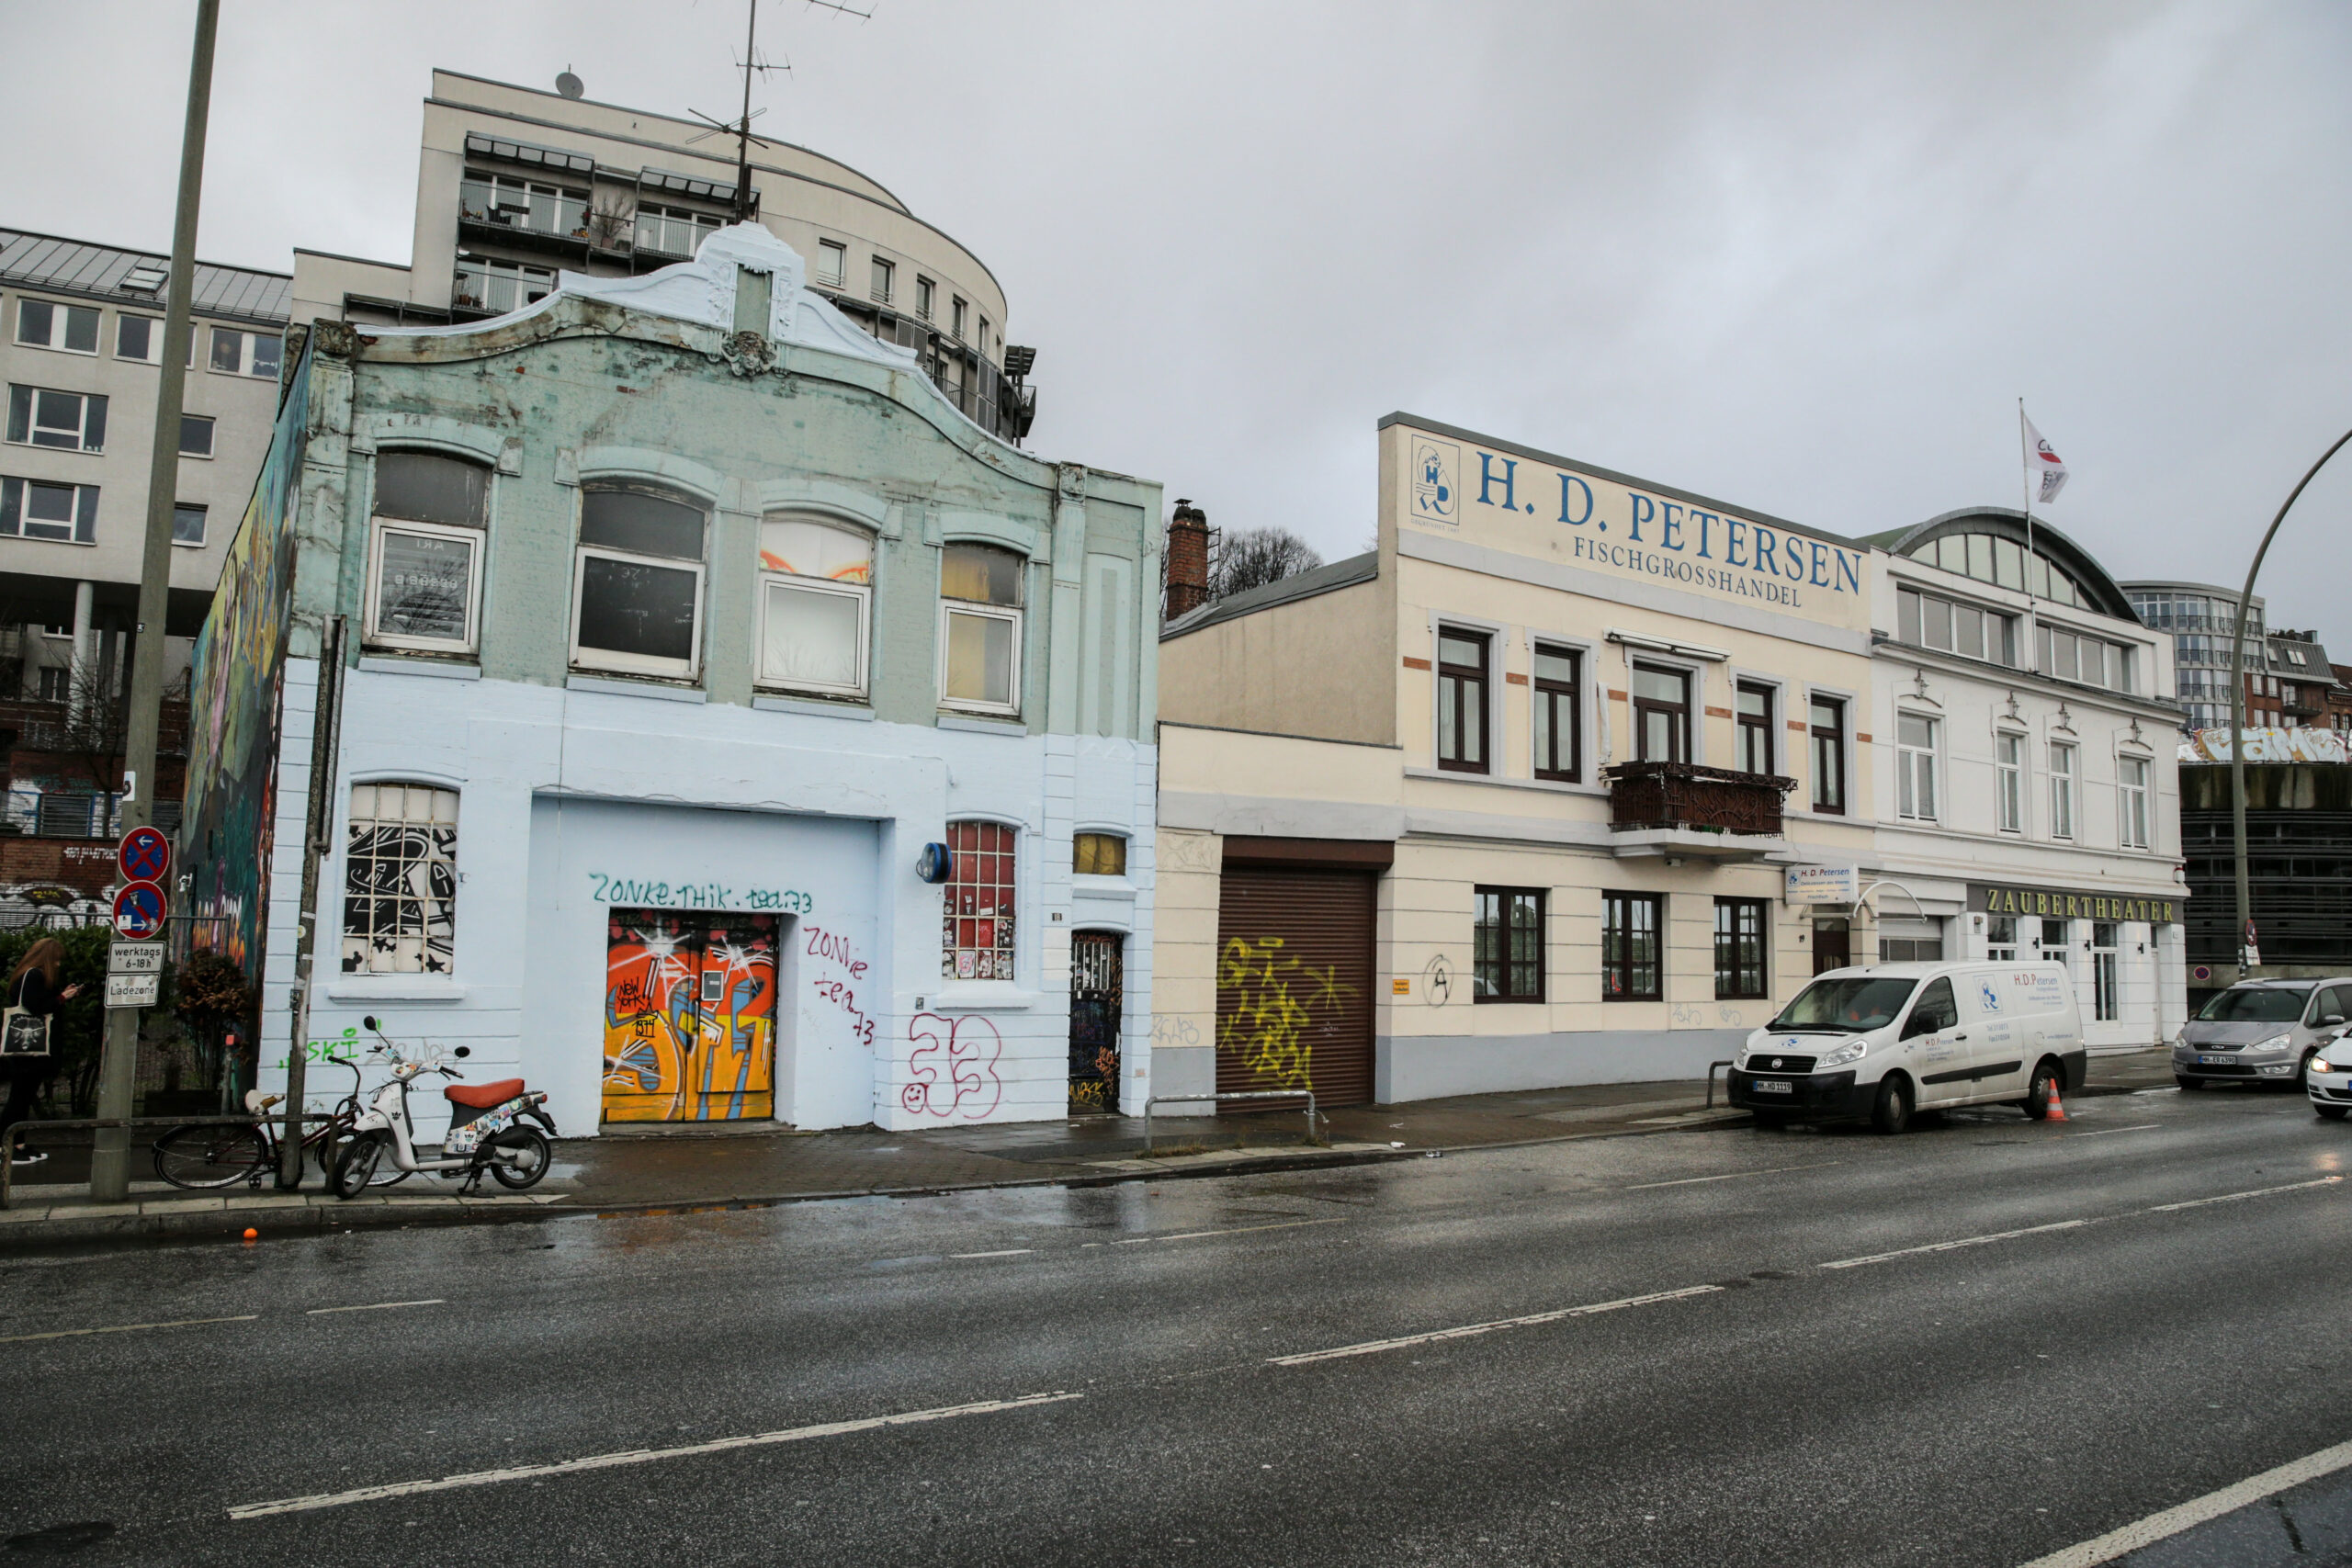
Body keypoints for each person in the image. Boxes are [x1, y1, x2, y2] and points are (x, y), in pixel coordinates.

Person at [3, 937, 82, 1167]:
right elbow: (35, 1006)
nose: (58, 965)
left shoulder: (26, 974)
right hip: (29, 1049)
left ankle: (17, 1144)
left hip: (27, 1049)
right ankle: (7, 1146)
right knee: (19, 1098)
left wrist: (60, 996)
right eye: (56, 960)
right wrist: (62, 998)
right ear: (48, 957)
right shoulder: (34, 975)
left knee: (22, 1097)